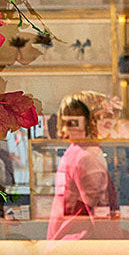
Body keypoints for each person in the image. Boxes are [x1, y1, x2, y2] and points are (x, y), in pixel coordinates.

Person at [46, 93, 117, 240]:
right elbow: (99, 209)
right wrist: (114, 247)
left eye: (72, 122)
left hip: (69, 242)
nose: (65, 130)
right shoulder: (82, 155)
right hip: (76, 243)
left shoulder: (78, 153)